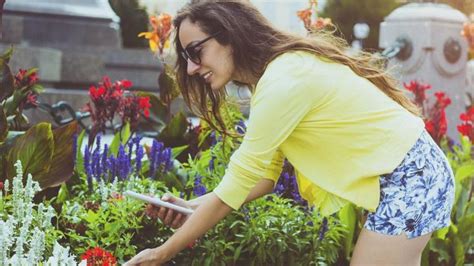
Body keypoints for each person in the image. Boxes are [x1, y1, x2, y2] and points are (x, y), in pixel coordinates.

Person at [125, 1, 455, 265]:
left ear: (228, 35)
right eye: (186, 58)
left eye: (195, 51)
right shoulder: (275, 77)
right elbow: (264, 176)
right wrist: (191, 207)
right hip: (415, 177)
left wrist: (161, 254)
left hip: (412, 179)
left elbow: (241, 179)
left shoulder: (283, 80)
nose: (193, 68)